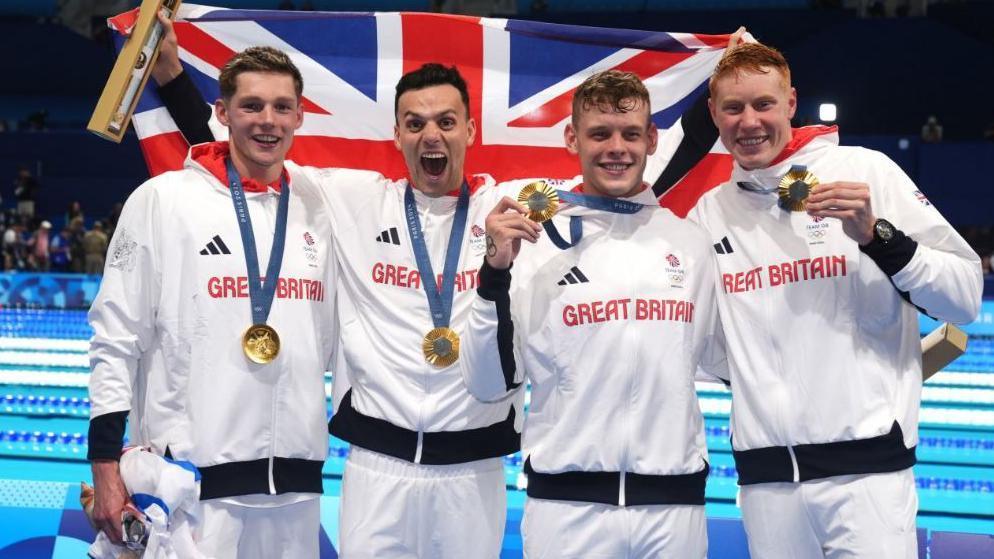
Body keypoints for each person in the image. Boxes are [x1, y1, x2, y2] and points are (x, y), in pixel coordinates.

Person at [152, 16, 745, 556]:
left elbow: (635, 164)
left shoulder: (513, 205)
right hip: (375, 469)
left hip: (473, 471)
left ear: (469, 128)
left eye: (445, 121)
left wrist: (719, 90)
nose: (431, 135)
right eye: (415, 124)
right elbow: (253, 149)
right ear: (397, 134)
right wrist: (175, 78)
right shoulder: (353, 201)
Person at [688, 43, 983, 558]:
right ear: (714, 114)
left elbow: (963, 295)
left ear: (791, 102)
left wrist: (878, 236)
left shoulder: (866, 172)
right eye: (733, 108)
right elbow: (708, 342)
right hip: (766, 482)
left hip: (868, 476)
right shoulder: (709, 214)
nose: (749, 121)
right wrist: (761, 373)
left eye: (763, 104)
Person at [87, 46, 338, 558]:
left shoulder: (321, 202)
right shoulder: (162, 200)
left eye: (281, 107)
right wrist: (105, 468)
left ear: (300, 115)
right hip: (192, 491)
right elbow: (115, 337)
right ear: (221, 113)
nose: (267, 121)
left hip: (294, 491)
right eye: (250, 106)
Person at [462, 70, 724, 558]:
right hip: (566, 513)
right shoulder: (533, 244)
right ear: (572, 138)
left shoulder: (689, 243)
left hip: (672, 511)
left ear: (651, 140)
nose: (616, 149)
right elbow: (487, 382)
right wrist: (494, 273)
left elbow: (727, 360)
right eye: (600, 134)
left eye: (630, 134)